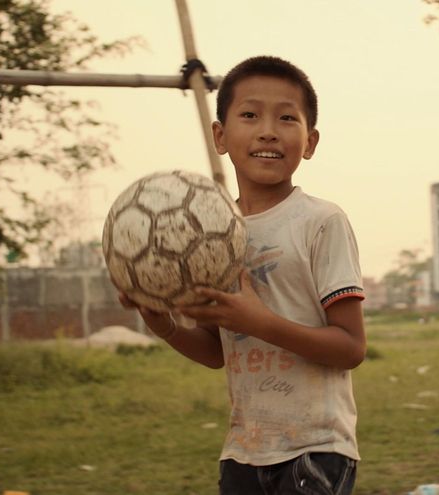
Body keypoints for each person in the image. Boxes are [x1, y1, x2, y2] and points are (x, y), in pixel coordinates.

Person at [120, 55, 366, 494]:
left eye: (286, 118)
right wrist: (163, 323)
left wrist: (261, 323)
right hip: (244, 450)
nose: (268, 130)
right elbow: (217, 350)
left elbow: (350, 347)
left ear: (309, 142)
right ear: (220, 135)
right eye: (249, 115)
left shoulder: (321, 222)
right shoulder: (206, 234)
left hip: (317, 448)